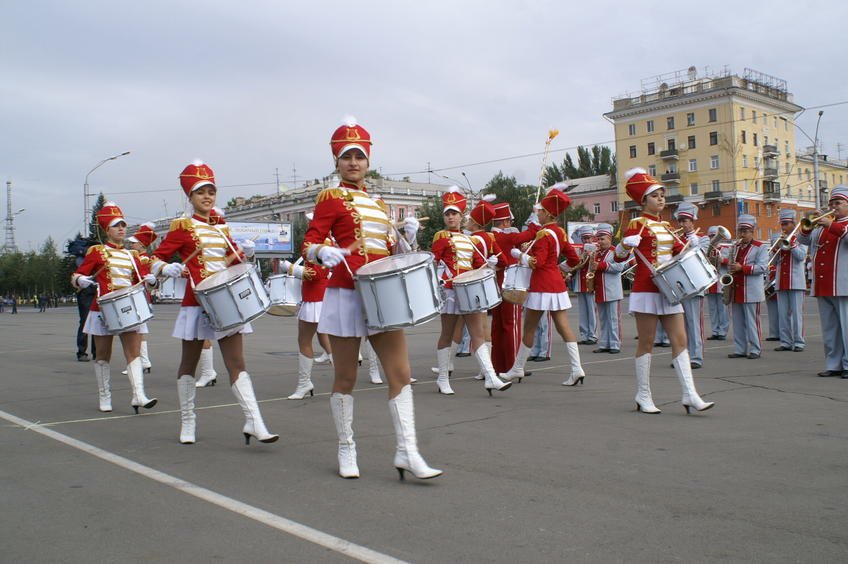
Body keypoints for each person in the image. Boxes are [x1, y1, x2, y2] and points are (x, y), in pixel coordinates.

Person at [301, 117, 440, 480]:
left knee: (401, 374)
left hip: (383, 296)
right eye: (347, 156)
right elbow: (309, 241)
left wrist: (406, 239)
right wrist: (321, 253)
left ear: (368, 160)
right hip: (347, 293)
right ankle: (347, 447)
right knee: (346, 376)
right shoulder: (330, 198)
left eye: (359, 156)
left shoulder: (379, 204)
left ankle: (407, 451)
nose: (353, 163)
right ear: (336, 161)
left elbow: (389, 251)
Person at [153, 160, 277, 446]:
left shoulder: (222, 229)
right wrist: (165, 268)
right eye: (200, 192)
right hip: (196, 304)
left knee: (237, 362)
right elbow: (155, 257)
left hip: (226, 303)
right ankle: (188, 420)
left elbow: (234, 263)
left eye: (211, 191)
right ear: (190, 197)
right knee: (189, 363)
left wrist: (247, 253)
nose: (207, 197)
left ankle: (255, 421)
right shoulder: (182, 227)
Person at [614, 168, 714, 414]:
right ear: (644, 200)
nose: (661, 199)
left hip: (670, 289)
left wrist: (692, 244)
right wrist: (625, 245)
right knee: (646, 343)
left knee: (680, 339)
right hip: (646, 288)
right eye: (655, 195)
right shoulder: (636, 224)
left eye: (662, 195)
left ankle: (690, 394)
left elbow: (681, 253)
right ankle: (643, 394)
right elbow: (618, 258)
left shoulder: (667, 226)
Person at [71, 203, 158, 413]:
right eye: (116, 226)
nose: (121, 229)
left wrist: (152, 280)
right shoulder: (97, 252)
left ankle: (138, 395)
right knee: (102, 354)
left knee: (134, 353)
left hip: (128, 308)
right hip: (103, 309)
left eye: (123, 225)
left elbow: (142, 280)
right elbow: (77, 275)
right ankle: (105, 395)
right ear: (107, 230)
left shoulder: (133, 256)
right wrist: (82, 280)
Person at [499, 183, 585, 386]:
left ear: (547, 213)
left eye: (540, 212)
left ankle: (517, 368)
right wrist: (560, 269)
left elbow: (537, 262)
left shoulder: (544, 235)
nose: (537, 215)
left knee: (529, 327)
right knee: (564, 327)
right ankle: (577, 369)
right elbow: (574, 260)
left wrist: (518, 255)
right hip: (557, 285)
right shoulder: (561, 233)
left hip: (541, 286)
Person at [431, 188, 509, 395]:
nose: (450, 217)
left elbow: (477, 266)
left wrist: (490, 264)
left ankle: (491, 377)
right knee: (447, 334)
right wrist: (437, 279)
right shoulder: (441, 237)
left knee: (477, 335)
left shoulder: (470, 240)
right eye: (447, 214)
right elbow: (434, 261)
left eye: (454, 214)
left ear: (461, 216)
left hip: (467, 291)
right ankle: (442, 378)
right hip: (449, 291)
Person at [798, 186, 848, 378]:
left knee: (846, 328)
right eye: (831, 204)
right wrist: (808, 224)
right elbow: (802, 240)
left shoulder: (839, 225)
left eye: (838, 203)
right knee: (830, 329)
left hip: (843, 285)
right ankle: (834, 364)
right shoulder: (822, 227)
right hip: (824, 284)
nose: (833, 207)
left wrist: (830, 225)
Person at [280, 231, 333, 399]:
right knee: (323, 338)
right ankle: (341, 379)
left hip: (315, 298)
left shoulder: (322, 241)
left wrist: (291, 268)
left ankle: (305, 384)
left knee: (304, 341)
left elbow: (315, 274)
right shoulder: (324, 241)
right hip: (317, 297)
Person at [489, 202, 539, 375]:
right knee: (512, 326)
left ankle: (498, 365)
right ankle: (513, 365)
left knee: (498, 327)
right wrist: (535, 214)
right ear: (504, 222)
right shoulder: (505, 237)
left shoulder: (491, 237)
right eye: (509, 221)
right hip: (510, 285)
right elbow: (532, 233)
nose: (510, 224)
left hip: (494, 286)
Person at [726, 214, 768, 360]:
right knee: (737, 322)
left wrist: (741, 268)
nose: (742, 234)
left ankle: (756, 349)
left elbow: (762, 267)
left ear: (752, 231)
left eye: (745, 231)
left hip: (751, 291)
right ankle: (740, 349)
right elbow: (731, 263)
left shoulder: (760, 247)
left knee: (752, 322)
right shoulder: (735, 246)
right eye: (740, 230)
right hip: (736, 289)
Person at [673, 202, 708, 369]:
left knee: (693, 323)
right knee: (678, 325)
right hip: (678, 286)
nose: (682, 224)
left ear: (692, 221)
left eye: (685, 220)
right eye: (679, 221)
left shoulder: (703, 238)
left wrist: (696, 245)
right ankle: (681, 357)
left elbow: (704, 256)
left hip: (694, 285)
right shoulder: (675, 239)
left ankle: (696, 357)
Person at [121, 222, 158, 375]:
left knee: (137, 331)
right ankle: (143, 360)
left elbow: (139, 278)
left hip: (138, 296)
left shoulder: (142, 259)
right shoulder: (145, 257)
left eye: (134, 242)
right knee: (140, 330)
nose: (131, 244)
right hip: (142, 296)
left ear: (141, 245)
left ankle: (140, 361)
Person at [590, 223, 628, 354]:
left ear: (610, 238)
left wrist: (600, 266)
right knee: (603, 319)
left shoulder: (615, 252)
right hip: (600, 290)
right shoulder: (597, 253)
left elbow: (619, 267)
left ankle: (615, 344)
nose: (600, 241)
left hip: (612, 291)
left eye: (603, 238)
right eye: (598, 239)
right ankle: (604, 343)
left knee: (613, 319)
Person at [772, 209, 807, 352]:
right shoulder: (778, 239)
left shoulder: (802, 238)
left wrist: (792, 243)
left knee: (797, 314)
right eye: (782, 224)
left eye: (786, 224)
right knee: (783, 314)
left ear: (794, 224)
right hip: (781, 281)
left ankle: (799, 342)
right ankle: (785, 342)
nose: (783, 227)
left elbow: (801, 257)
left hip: (796, 282)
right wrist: (776, 250)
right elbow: (773, 263)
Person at [571, 226, 599, 345]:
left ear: (592, 238)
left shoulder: (597, 249)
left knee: (591, 311)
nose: (586, 241)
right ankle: (584, 335)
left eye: (588, 238)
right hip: (579, 283)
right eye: (584, 238)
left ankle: (592, 336)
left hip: (590, 284)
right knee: (582, 311)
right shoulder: (578, 250)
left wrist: (591, 255)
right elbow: (572, 264)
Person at [705, 225, 731, 341]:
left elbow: (733, 261)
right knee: (712, 309)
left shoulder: (726, 248)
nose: (713, 239)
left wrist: (723, 260)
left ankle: (723, 331)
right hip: (710, 283)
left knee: (722, 309)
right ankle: (715, 330)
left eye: (714, 236)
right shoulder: (706, 249)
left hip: (721, 281)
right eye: (711, 236)